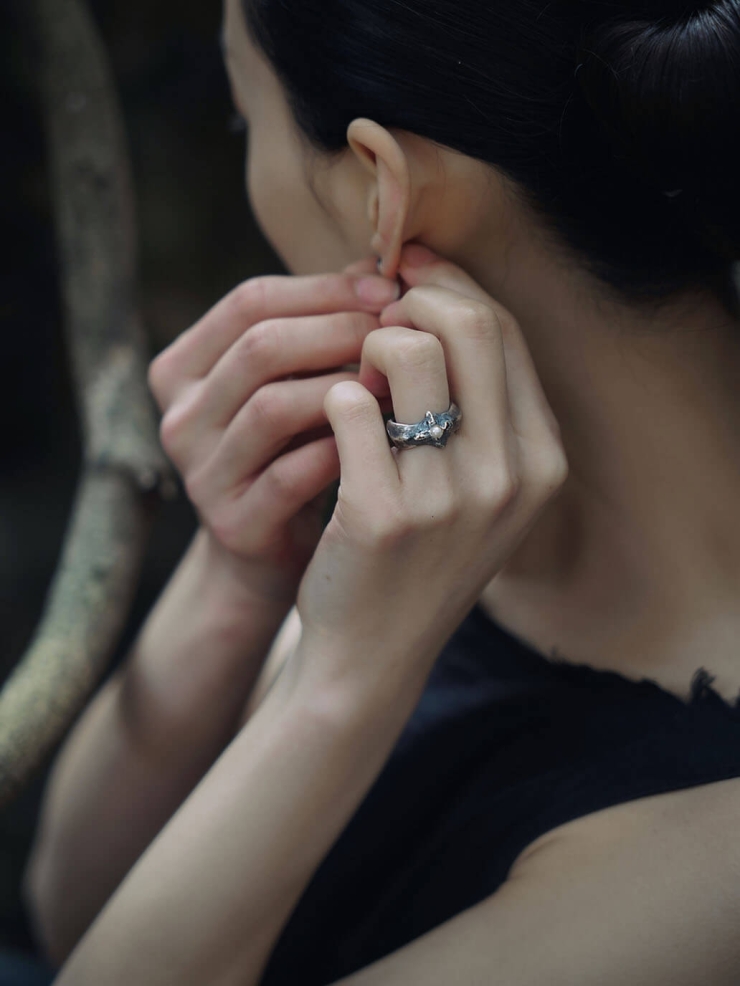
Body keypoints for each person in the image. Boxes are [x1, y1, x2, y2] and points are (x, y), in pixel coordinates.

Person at [21, 0, 740, 982]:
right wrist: (236, 580)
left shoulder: (708, 864)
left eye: (244, 118)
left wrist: (339, 686)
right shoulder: (419, 502)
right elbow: (66, 906)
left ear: (377, 188)